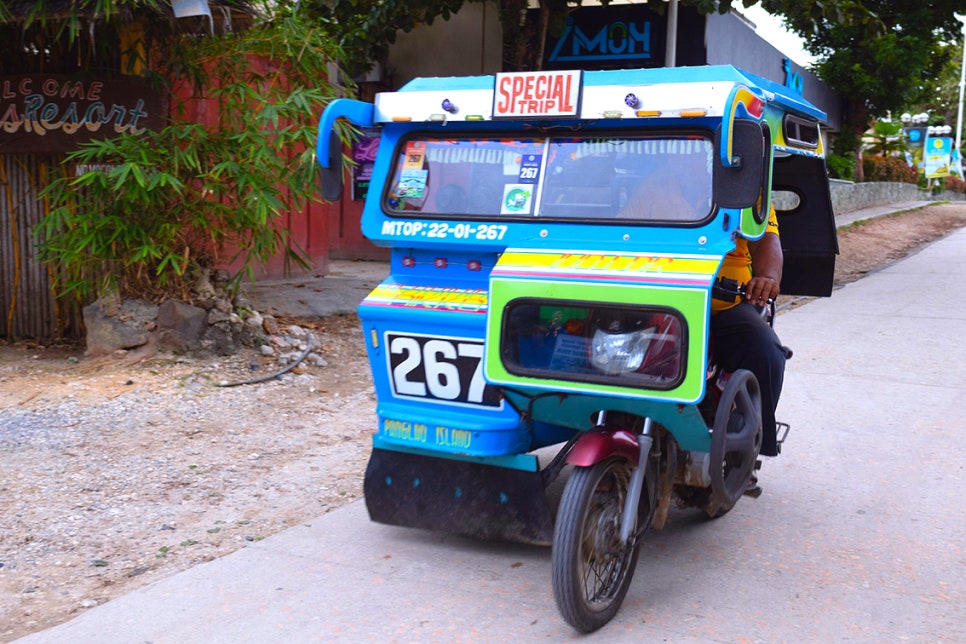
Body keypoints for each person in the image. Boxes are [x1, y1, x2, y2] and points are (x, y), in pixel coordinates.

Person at [710, 204, 787, 476]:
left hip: (725, 305)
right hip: (661, 297)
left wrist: (767, 277)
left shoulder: (751, 191)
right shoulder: (658, 182)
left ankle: (745, 455)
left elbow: (768, 242)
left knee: (766, 351)